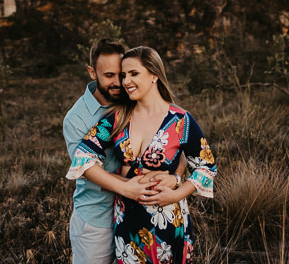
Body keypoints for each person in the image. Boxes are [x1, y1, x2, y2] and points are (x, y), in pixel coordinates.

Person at [67, 46, 217, 264]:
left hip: (167, 222)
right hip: (127, 224)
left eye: (133, 74)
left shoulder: (180, 121)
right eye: (124, 75)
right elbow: (83, 157)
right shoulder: (117, 118)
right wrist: (124, 187)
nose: (126, 81)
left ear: (154, 74)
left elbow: (206, 167)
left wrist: (176, 193)